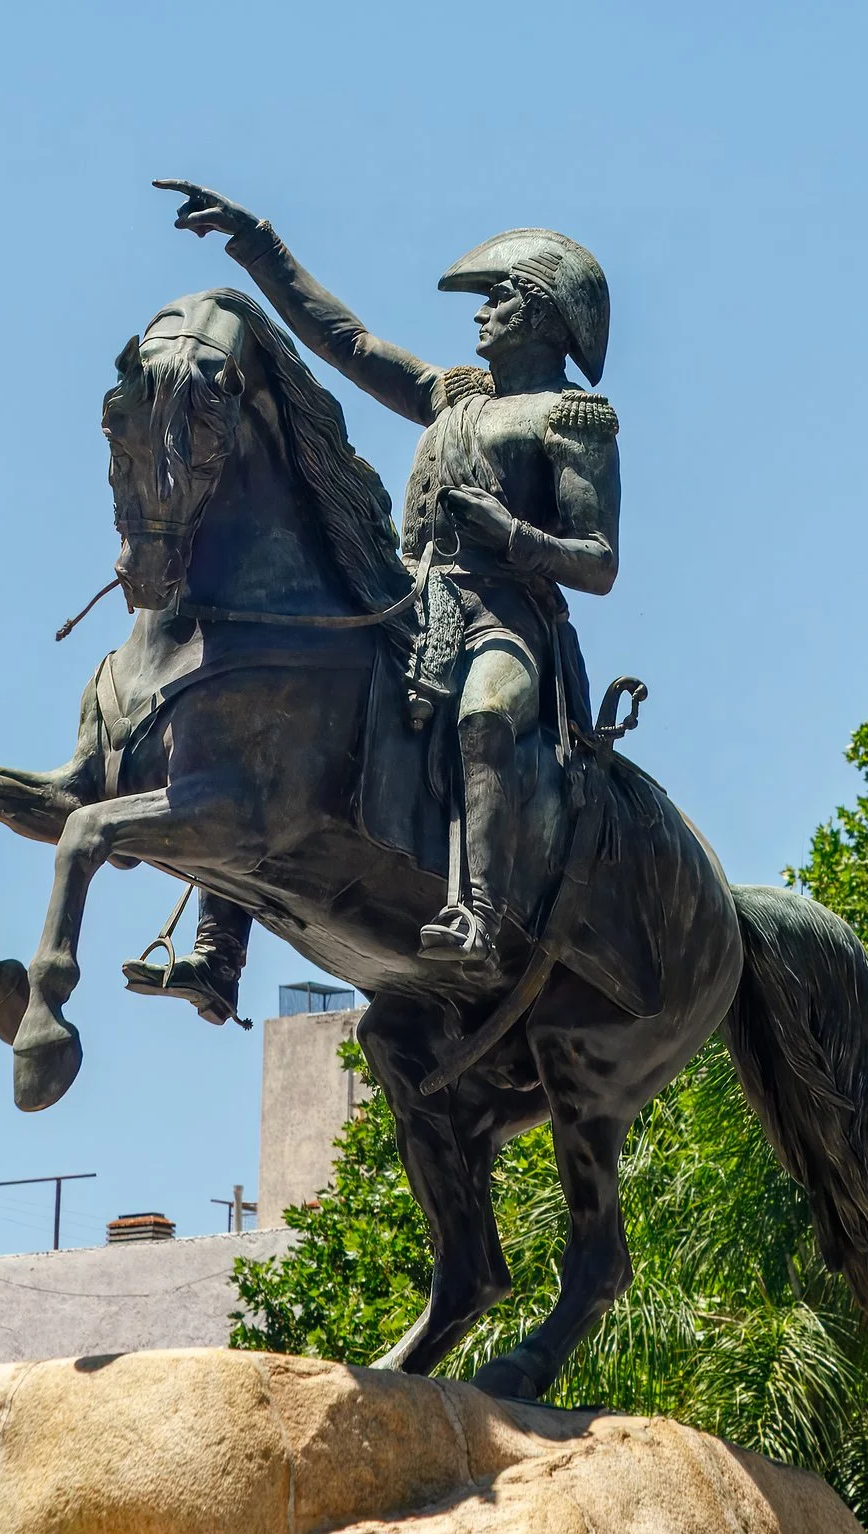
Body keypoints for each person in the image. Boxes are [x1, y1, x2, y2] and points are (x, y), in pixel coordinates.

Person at [152, 180, 621, 971]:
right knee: (269, 702)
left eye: (498, 298)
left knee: (485, 719)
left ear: (540, 314)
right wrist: (257, 243)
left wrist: (509, 533)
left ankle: (480, 913)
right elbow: (350, 343)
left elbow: (600, 561)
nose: (480, 313)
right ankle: (217, 948)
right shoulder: (452, 395)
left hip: (506, 619)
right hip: (408, 604)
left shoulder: (570, 421)